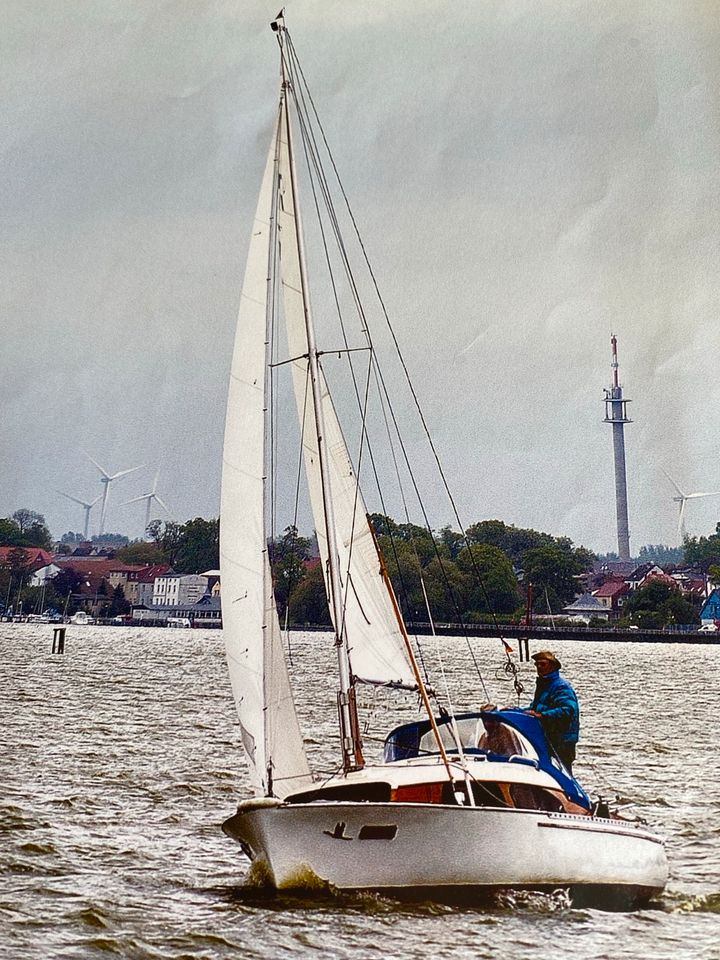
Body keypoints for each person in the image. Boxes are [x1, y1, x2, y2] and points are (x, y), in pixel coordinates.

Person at [526, 650, 579, 772]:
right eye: (537, 664)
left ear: (552, 666)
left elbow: (568, 710)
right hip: (548, 738)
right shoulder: (544, 685)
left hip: (562, 741)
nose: (539, 667)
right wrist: (516, 710)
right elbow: (534, 708)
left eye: (542, 664)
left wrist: (541, 715)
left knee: (563, 773)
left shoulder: (561, 686)